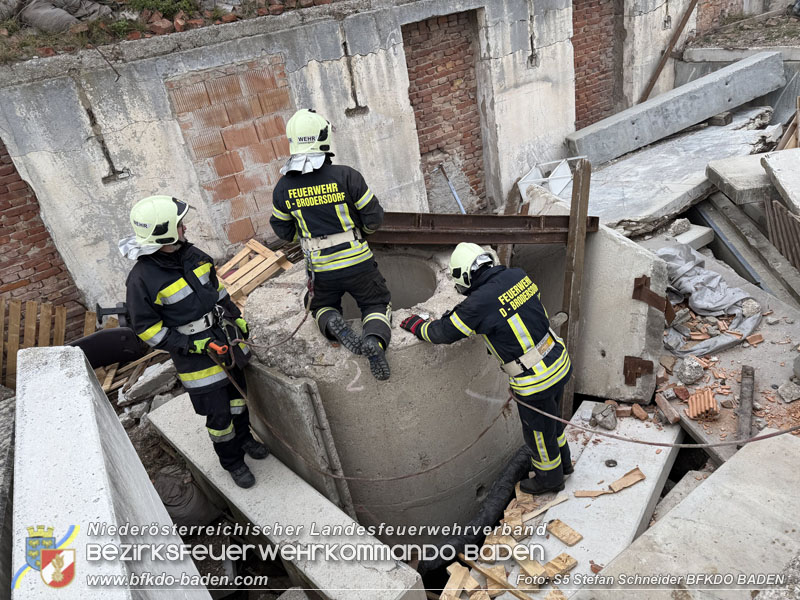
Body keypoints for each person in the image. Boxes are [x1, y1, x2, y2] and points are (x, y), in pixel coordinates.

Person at [400, 242, 573, 495]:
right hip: (558, 361)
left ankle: (550, 479)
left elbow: (443, 332)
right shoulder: (517, 275)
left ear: (467, 276)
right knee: (552, 421)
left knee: (537, 432)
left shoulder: (477, 304)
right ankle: (565, 464)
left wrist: (416, 325)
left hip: (535, 380)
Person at [121, 195, 268, 489]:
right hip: (195, 358)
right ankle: (233, 462)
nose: (184, 227)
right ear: (164, 231)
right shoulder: (141, 280)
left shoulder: (193, 255)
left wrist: (236, 318)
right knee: (219, 414)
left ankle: (245, 440)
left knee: (238, 398)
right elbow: (147, 330)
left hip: (223, 338)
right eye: (178, 224)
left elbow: (218, 290)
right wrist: (193, 345)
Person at [270, 108, 392, 381]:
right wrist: (364, 232)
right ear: (324, 139)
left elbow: (282, 230)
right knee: (375, 303)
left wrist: (306, 235)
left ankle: (331, 324)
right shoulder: (347, 176)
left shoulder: (282, 188)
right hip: (357, 261)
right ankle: (375, 340)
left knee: (319, 305)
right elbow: (374, 217)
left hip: (321, 268)